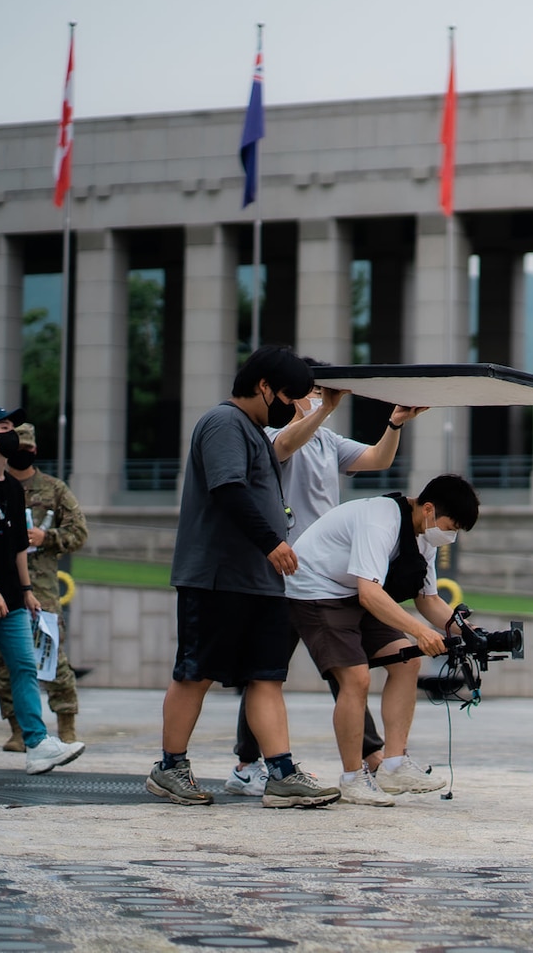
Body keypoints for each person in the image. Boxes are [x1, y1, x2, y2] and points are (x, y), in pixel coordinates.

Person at [146, 346, 339, 808]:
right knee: (195, 673)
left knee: (266, 676)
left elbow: (281, 451)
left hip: (261, 580)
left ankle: (280, 773)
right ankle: (170, 767)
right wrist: (271, 542)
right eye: (290, 397)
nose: (292, 407)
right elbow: (227, 488)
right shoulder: (224, 424)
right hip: (216, 576)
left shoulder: (254, 430)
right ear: (264, 387)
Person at [225, 368, 428, 797]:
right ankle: (247, 763)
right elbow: (286, 446)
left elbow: (378, 460)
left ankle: (372, 759)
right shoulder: (278, 436)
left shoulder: (328, 441)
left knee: (351, 674)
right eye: (310, 391)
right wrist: (320, 410)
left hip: (328, 574)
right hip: (284, 570)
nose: (318, 398)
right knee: (267, 671)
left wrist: (394, 424)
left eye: (321, 391)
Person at [283, 474, 478, 805]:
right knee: (356, 677)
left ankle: (393, 764)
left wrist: (471, 634)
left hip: (354, 592)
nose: (450, 536)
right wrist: (419, 632)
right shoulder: (380, 520)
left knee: (408, 660)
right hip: (315, 589)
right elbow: (370, 594)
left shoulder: (424, 536)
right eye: (450, 526)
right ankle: (352, 778)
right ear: (428, 509)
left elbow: (427, 599)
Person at [0, 405, 86, 775]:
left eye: (13, 427)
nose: (12, 434)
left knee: (25, 667)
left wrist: (25, 590)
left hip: (13, 600)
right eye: (3, 427)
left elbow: (19, 545)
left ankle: (37, 744)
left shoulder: (13, 489)